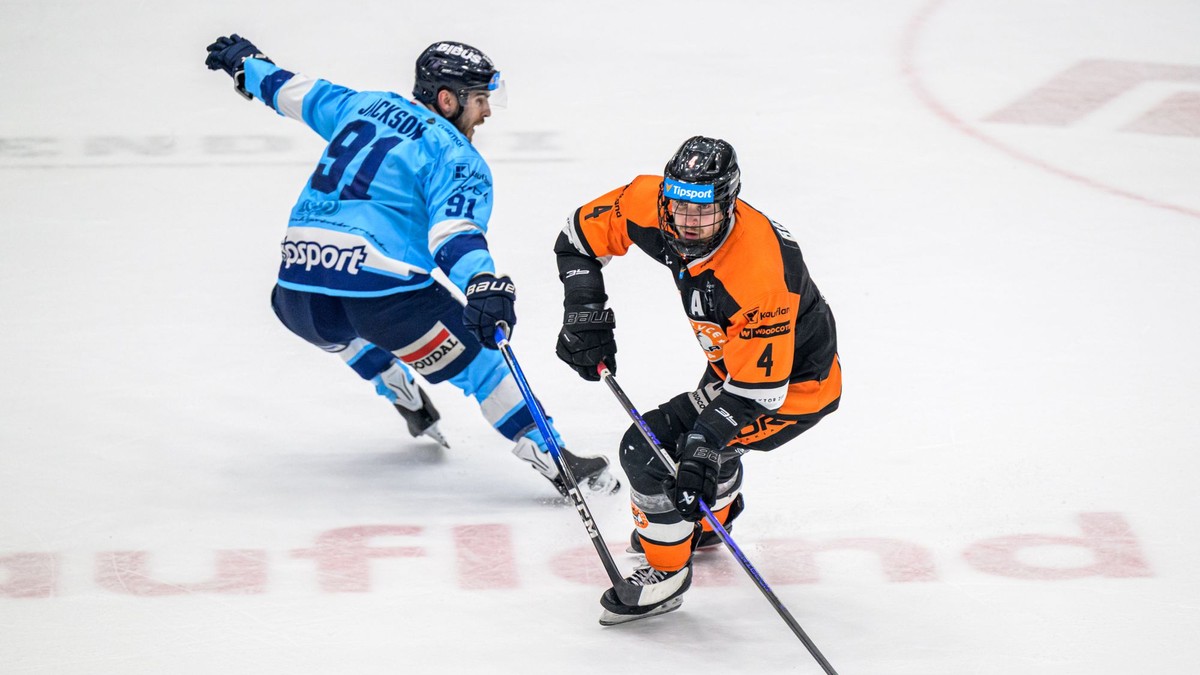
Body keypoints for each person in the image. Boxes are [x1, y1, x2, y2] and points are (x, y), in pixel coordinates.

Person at [203, 34, 618, 496]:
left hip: (295, 297)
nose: (487, 111)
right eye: (480, 99)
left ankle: (394, 385)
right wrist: (482, 283)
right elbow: (454, 235)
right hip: (382, 304)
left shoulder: (362, 105)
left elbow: (291, 90)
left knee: (343, 324)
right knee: (483, 365)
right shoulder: (455, 155)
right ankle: (554, 458)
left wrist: (247, 65)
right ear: (447, 100)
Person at [553, 136, 841, 623]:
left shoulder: (760, 275)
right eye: (679, 206)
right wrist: (584, 310)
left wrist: (704, 446)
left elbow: (756, 394)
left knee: (650, 450)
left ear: (729, 205)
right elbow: (577, 238)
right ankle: (708, 522)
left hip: (793, 390)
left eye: (703, 212)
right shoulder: (650, 202)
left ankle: (667, 573)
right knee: (696, 447)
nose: (687, 222)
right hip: (735, 364)